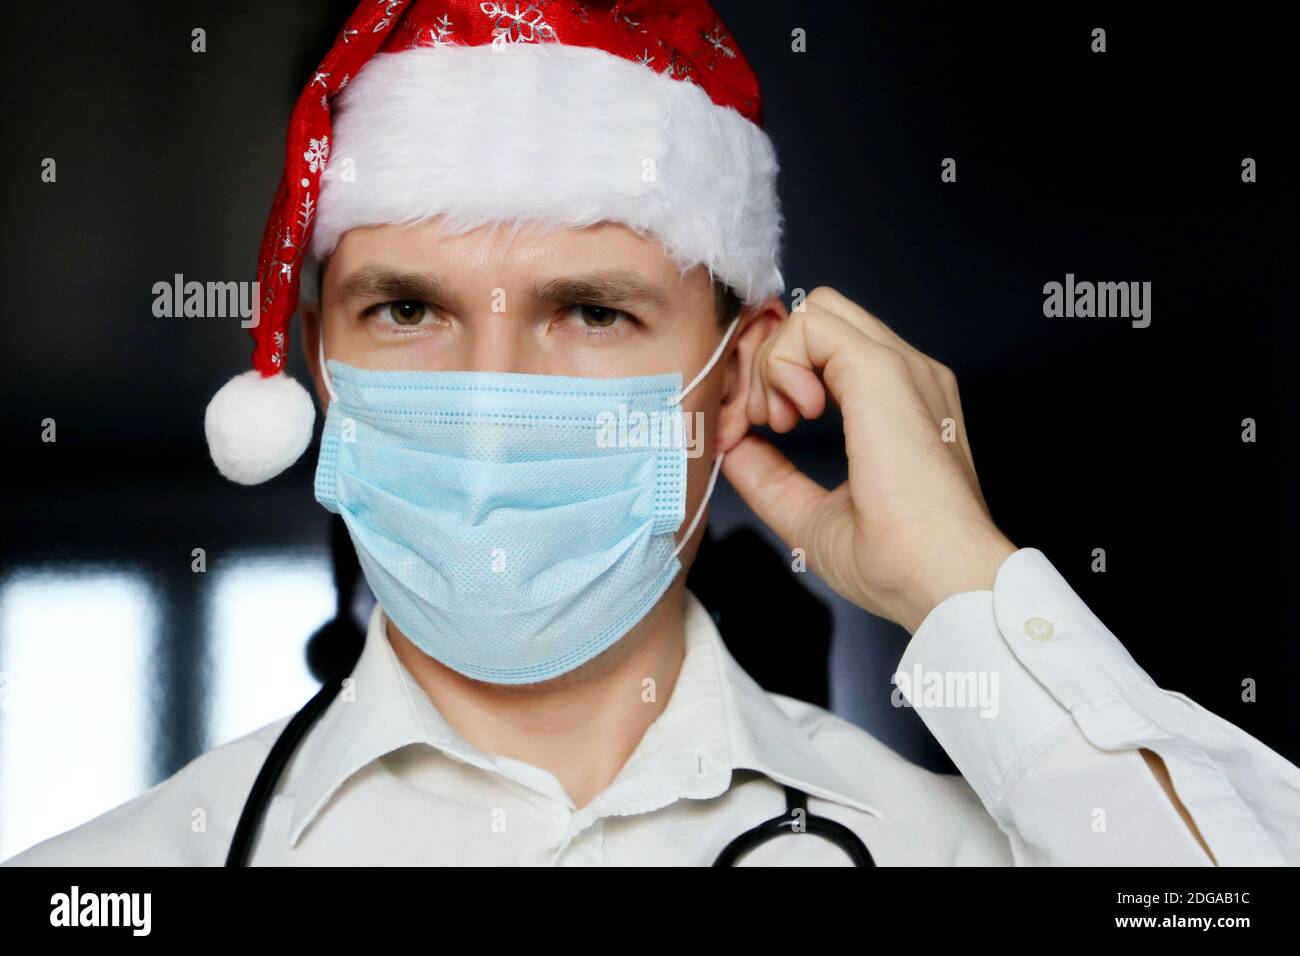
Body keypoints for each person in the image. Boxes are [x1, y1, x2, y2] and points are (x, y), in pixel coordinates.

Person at [5, 0, 1298, 866]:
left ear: (737, 382)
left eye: (591, 312)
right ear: (315, 370)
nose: (494, 409)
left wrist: (963, 580)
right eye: (407, 308)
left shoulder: (971, 848)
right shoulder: (101, 880)